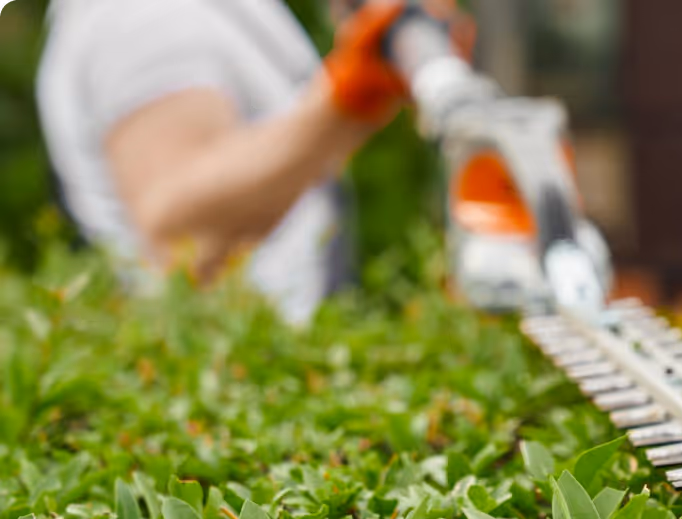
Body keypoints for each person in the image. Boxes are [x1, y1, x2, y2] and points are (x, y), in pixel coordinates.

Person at [37, 0, 444, 324]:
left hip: (260, 360)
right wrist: (351, 95)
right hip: (232, 369)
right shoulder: (147, 15)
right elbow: (179, 235)